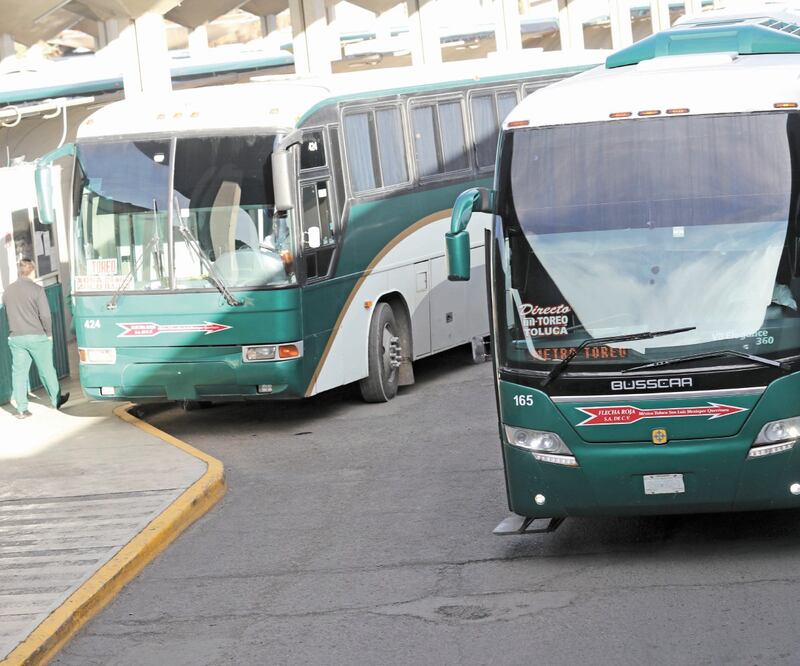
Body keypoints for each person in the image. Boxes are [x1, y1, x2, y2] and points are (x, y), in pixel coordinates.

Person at [3, 259, 69, 419]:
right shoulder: (37, 290)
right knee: (46, 370)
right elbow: (45, 315)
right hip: (37, 336)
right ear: (32, 271)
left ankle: (22, 409)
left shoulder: (8, 291)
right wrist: (48, 333)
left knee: (19, 374)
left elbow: (7, 313)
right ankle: (55, 400)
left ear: (20, 271)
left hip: (16, 337)